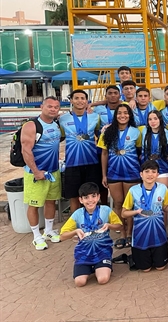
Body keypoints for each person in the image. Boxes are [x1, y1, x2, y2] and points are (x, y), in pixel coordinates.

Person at [122, 160, 168, 272]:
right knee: (145, 269)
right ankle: (134, 257)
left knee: (160, 267)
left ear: (157, 175)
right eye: (147, 171)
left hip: (159, 236)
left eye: (153, 171)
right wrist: (136, 212)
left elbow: (166, 207)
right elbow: (124, 213)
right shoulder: (133, 190)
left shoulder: (162, 188)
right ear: (141, 174)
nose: (150, 174)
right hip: (140, 238)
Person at [59, 182, 122, 287]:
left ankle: (100, 266)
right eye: (86, 197)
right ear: (81, 200)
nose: (90, 200)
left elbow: (119, 226)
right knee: (80, 282)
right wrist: (75, 231)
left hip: (102, 252)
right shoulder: (77, 214)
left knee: (103, 279)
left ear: (98, 197)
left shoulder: (105, 210)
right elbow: (62, 236)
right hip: (84, 254)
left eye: (93, 196)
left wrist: (109, 225)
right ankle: (90, 267)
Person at [98, 104, 141, 249]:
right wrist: (104, 174)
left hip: (132, 173)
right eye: (119, 113)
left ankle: (130, 233)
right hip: (114, 173)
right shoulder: (107, 132)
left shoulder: (136, 132)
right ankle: (122, 234)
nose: (123, 115)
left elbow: (140, 153)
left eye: (126, 113)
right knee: (118, 204)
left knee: (130, 205)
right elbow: (104, 154)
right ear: (115, 115)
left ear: (130, 115)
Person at [21, 96, 62, 250]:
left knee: (51, 201)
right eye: (49, 106)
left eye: (56, 107)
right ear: (42, 106)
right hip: (35, 174)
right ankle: (36, 235)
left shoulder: (56, 124)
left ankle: (49, 230)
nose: (52, 109)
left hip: (53, 171)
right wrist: (36, 171)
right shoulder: (32, 126)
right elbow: (26, 150)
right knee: (34, 204)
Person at [59, 89, 101, 212]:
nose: (80, 101)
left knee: (93, 195)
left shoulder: (95, 117)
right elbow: (59, 138)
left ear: (87, 101)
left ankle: (94, 221)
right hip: (72, 163)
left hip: (92, 162)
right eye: (76, 98)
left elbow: (99, 135)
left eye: (82, 98)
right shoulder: (63, 119)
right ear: (71, 100)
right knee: (74, 196)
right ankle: (75, 222)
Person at [139, 110, 168, 188]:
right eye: (150, 119)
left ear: (160, 119)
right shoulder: (143, 131)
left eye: (155, 118)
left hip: (162, 168)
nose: (153, 121)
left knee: (160, 196)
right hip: (147, 169)